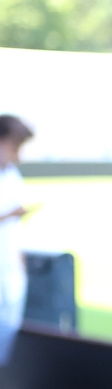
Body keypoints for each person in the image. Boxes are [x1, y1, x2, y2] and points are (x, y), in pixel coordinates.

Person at [0, 114, 34, 366]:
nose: (16, 155)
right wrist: (10, 214)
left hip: (10, 270)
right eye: (13, 147)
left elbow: (15, 229)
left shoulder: (13, 175)